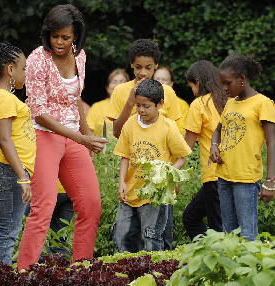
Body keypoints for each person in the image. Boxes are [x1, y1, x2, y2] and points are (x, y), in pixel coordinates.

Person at [17, 4, 108, 270]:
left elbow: (75, 97)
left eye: (65, 37)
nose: (59, 42)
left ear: (76, 37)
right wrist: (81, 139)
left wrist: (86, 133)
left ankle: (82, 269)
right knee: (43, 209)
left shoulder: (80, 57)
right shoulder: (37, 60)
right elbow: (39, 113)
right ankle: (25, 273)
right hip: (45, 134)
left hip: (74, 138)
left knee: (91, 206)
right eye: (54, 35)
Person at [107, 39, 182, 250]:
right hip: (133, 177)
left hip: (160, 181)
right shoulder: (122, 91)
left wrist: (174, 178)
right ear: (131, 64)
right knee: (129, 233)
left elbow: (175, 140)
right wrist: (130, 101)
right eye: (138, 67)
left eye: (148, 68)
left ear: (156, 65)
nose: (143, 72)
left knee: (159, 234)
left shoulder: (168, 93)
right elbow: (116, 132)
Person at [113, 79, 191, 252]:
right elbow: (124, 156)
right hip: (130, 193)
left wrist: (167, 172)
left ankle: (155, 276)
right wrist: (121, 182)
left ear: (160, 104)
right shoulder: (130, 124)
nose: (141, 110)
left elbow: (182, 157)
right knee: (122, 235)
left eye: (146, 106)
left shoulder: (168, 127)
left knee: (151, 239)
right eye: (138, 105)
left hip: (155, 196)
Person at [0, 41, 36, 266]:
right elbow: (4, 139)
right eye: (23, 69)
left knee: (10, 229)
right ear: (10, 70)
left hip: (11, 170)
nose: (26, 75)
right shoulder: (3, 98)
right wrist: (22, 176)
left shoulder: (5, 98)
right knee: (8, 231)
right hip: (10, 170)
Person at [210, 54, 275, 241]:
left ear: (242, 79)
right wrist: (214, 145)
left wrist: (271, 181)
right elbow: (218, 129)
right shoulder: (230, 103)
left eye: (227, 83)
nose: (224, 88)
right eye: (222, 83)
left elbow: (272, 142)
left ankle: (249, 270)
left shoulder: (263, 103)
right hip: (224, 175)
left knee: (247, 235)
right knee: (228, 235)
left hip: (245, 179)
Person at [182, 60, 226, 241]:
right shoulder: (227, 99)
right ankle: (208, 254)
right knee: (192, 216)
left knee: (218, 229)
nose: (192, 91)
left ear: (198, 82)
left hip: (213, 175)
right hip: (231, 173)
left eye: (191, 86)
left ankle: (216, 261)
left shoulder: (199, 104)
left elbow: (187, 147)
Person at [86, 68, 129, 137]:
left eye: (122, 81)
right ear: (107, 88)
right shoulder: (97, 107)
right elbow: (88, 132)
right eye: (114, 82)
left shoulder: (135, 107)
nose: (118, 85)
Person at [153, 66, 189, 134]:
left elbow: (182, 132)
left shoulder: (182, 105)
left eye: (164, 80)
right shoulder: (144, 102)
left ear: (171, 84)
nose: (160, 82)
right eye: (157, 79)